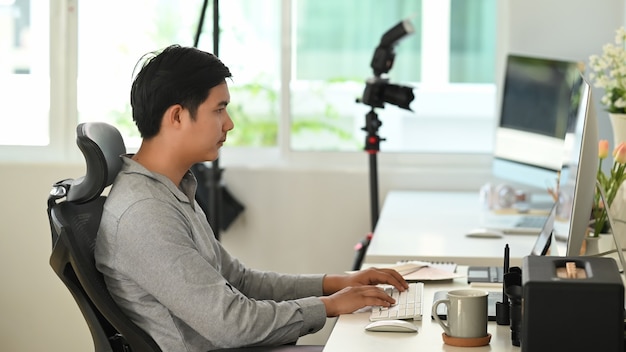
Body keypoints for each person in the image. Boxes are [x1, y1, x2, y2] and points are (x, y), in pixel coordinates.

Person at [94, 44, 408, 352]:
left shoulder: (170, 190)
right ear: (177, 117)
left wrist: (336, 282)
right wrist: (327, 306)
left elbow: (239, 281)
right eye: (218, 109)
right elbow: (230, 323)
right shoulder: (145, 213)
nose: (228, 123)